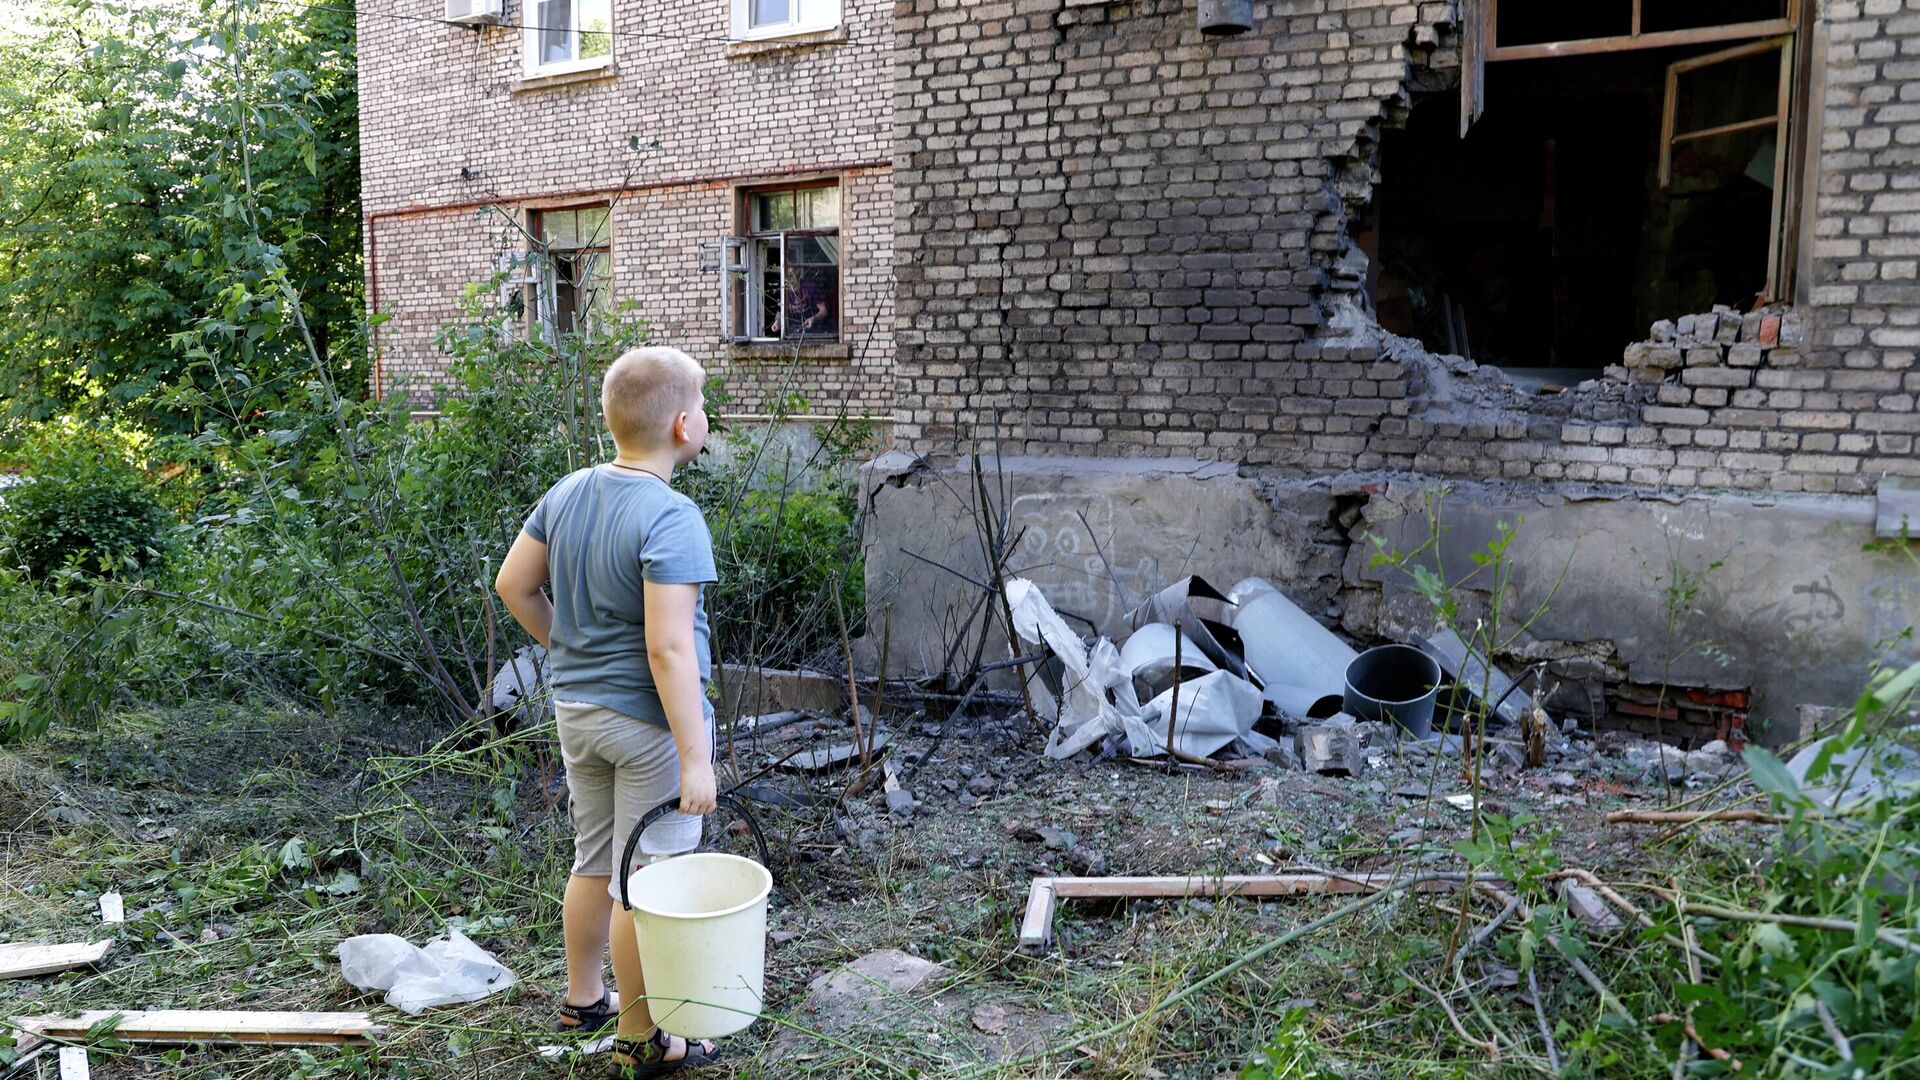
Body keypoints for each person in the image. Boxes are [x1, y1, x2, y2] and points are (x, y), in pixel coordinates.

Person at [494, 346, 721, 1078]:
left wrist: (570, 647)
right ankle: (640, 1036)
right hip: (648, 726)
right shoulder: (672, 515)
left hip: (577, 710)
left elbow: (513, 586)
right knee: (646, 881)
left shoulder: (568, 492)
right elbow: (669, 650)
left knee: (595, 861)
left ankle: (581, 998)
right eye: (705, 404)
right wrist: (695, 755)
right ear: (684, 425)